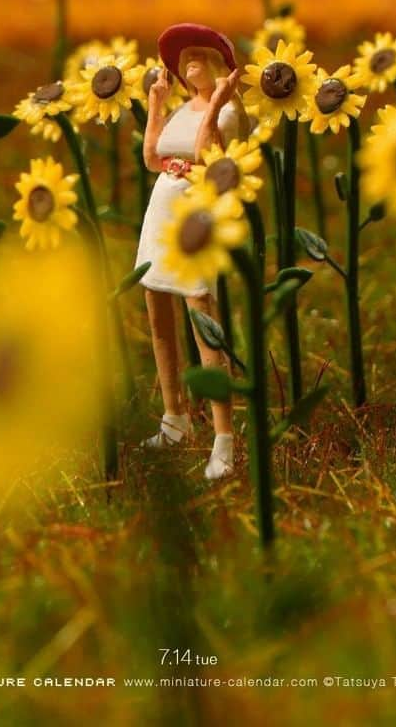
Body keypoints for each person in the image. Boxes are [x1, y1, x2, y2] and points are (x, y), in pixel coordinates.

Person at [135, 23, 246, 480]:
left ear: (221, 66)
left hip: (196, 217)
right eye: (184, 60)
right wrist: (156, 106)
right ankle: (174, 416)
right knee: (156, 305)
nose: (189, 63)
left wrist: (219, 100)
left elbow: (206, 155)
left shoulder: (227, 112)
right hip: (160, 213)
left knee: (203, 316)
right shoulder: (180, 108)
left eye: (199, 55)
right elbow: (151, 158)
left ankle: (224, 438)